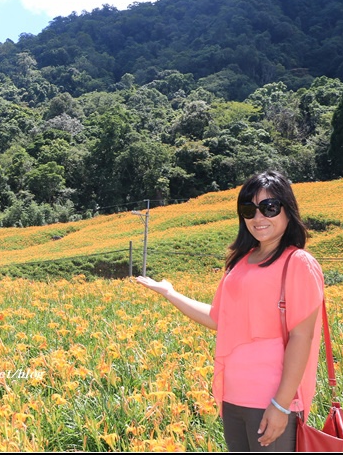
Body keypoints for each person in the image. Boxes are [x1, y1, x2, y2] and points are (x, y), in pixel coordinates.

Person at [135, 170, 324, 452]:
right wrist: (170, 293)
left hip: (271, 398)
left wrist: (281, 405)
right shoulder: (241, 262)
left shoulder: (297, 262)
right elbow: (218, 318)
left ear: (288, 209)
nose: (258, 218)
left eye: (269, 208)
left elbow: (302, 337)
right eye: (249, 210)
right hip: (233, 396)